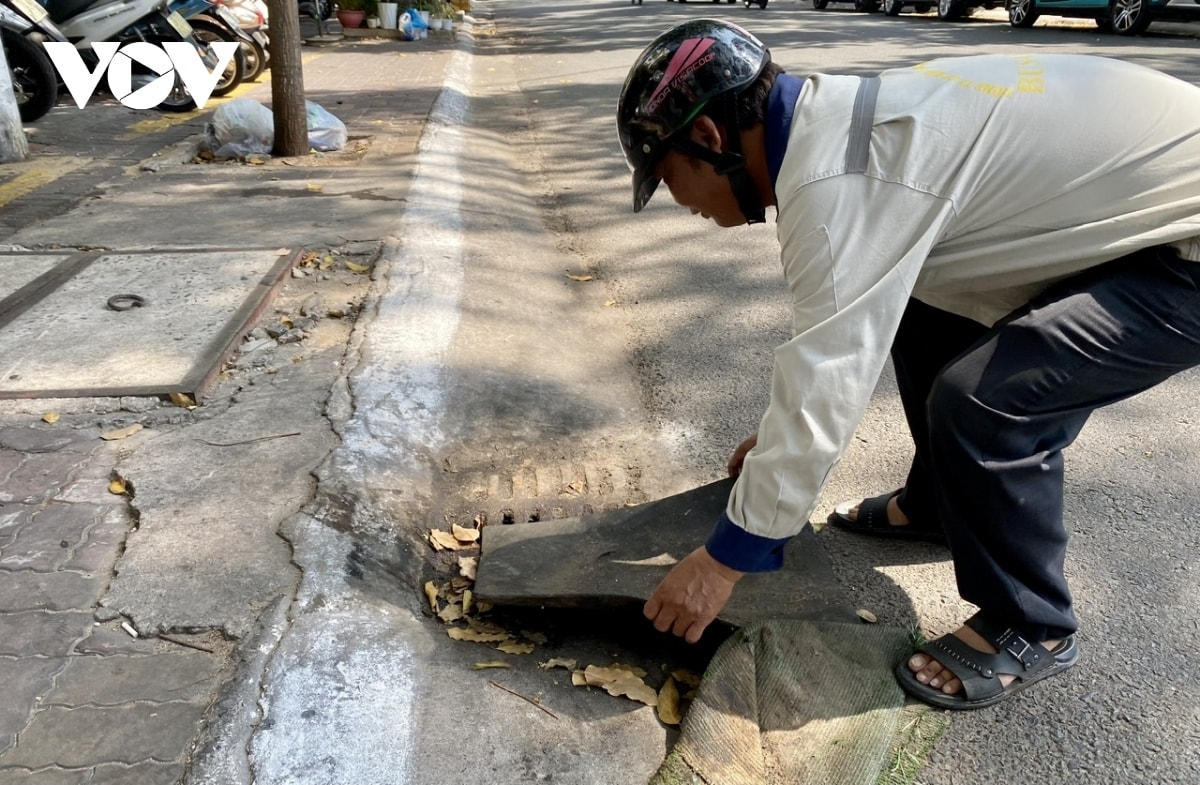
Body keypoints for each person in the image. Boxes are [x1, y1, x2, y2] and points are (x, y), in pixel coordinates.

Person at [617, 18, 1200, 710]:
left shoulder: (839, 177)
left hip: (1183, 249)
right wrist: (780, 452)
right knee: (922, 298)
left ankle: (1031, 624)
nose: (683, 204)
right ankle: (937, 504)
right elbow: (838, 341)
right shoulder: (834, 121)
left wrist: (723, 560)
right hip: (1145, 208)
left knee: (984, 401)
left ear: (710, 140)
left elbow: (823, 385)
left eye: (669, 177)